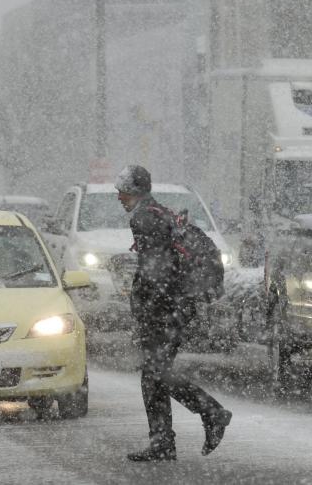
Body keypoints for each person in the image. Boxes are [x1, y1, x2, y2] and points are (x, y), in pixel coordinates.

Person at [116, 165, 232, 462]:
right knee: (153, 375)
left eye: (123, 191)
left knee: (156, 373)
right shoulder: (156, 212)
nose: (119, 197)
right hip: (176, 304)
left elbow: (156, 271)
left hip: (167, 308)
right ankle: (163, 442)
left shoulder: (144, 219)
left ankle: (211, 413)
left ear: (135, 192)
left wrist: (150, 309)